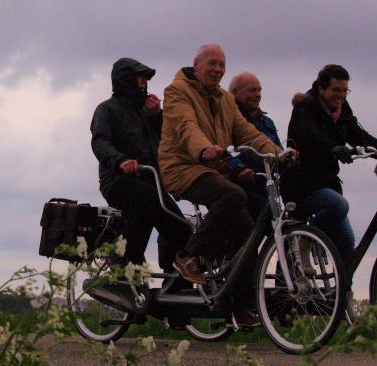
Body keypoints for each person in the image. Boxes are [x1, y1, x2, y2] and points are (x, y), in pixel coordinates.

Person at [159, 44, 292, 327]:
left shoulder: (224, 98)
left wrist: (279, 153)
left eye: (222, 65)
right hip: (182, 166)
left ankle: (240, 307)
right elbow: (186, 126)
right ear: (196, 64)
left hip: (210, 168)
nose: (218, 70)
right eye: (212, 64)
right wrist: (204, 149)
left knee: (247, 231)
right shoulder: (176, 92)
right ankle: (188, 256)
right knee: (233, 194)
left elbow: (247, 132)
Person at [282, 64, 377, 313]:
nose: (341, 95)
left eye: (345, 90)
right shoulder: (305, 107)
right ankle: (305, 239)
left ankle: (341, 295)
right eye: (336, 90)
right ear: (321, 88)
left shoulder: (342, 110)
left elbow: (356, 133)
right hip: (300, 184)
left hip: (327, 183)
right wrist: (332, 148)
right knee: (339, 205)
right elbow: (310, 134)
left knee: (346, 244)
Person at [90, 57, 191, 271]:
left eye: (146, 79)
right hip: (118, 180)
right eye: (140, 78)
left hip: (151, 181)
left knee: (182, 231)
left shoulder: (145, 113)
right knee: (148, 201)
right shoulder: (106, 109)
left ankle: (175, 283)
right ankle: (125, 262)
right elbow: (100, 141)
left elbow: (168, 139)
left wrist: (156, 116)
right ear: (125, 80)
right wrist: (121, 161)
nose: (144, 82)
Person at [227, 72, 282, 219]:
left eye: (259, 90)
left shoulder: (267, 122)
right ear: (234, 93)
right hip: (241, 185)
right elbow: (225, 148)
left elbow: (276, 151)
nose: (257, 94)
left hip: (267, 185)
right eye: (252, 90)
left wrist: (286, 157)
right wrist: (240, 169)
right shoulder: (228, 120)